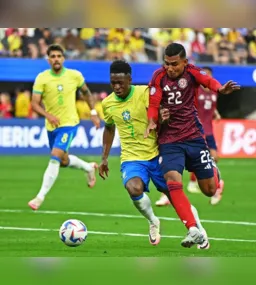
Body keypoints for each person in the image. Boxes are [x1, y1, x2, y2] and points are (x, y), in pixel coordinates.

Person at [99, 60, 210, 249]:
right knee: (133, 188)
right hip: (132, 158)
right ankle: (152, 221)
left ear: (130, 79)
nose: (117, 87)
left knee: (175, 195)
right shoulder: (107, 104)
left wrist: (164, 120)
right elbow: (109, 129)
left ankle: (199, 230)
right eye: (113, 83)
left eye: (120, 82)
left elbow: (161, 118)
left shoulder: (144, 93)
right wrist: (104, 157)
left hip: (157, 154)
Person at [145, 43, 240, 246]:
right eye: (167, 64)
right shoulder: (158, 77)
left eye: (175, 64)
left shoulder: (192, 73)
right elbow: (153, 105)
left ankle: (213, 170)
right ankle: (192, 228)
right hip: (169, 140)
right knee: (172, 181)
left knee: (209, 190)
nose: (170, 68)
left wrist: (220, 88)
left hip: (194, 137)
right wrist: (153, 120)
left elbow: (208, 80)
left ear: (185, 62)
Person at [28, 44, 101, 211]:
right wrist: (48, 115)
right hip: (52, 126)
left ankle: (40, 197)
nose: (56, 59)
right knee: (63, 161)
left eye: (59, 56)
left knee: (55, 156)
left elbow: (87, 92)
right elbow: (34, 104)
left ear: (63, 58)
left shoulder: (74, 75)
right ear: (48, 60)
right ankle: (89, 168)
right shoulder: (42, 78)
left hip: (69, 124)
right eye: (52, 56)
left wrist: (93, 112)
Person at [155, 66, 225, 206]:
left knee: (214, 158)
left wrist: (216, 113)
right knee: (174, 166)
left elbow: (210, 107)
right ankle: (168, 194)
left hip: (208, 130)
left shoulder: (213, 93)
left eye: (208, 76)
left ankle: (211, 183)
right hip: (192, 131)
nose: (206, 78)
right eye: (204, 75)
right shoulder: (195, 90)